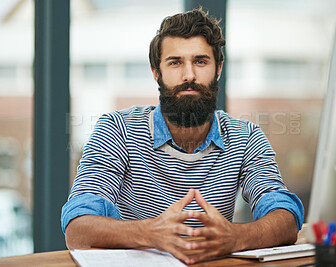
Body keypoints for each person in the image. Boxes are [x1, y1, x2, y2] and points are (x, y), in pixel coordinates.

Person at [61, 8, 304, 265]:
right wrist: (151, 233)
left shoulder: (246, 137)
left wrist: (235, 237)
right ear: (157, 72)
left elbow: (285, 218)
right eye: (175, 62)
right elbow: (79, 229)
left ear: (218, 69)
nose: (189, 75)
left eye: (200, 61)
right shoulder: (117, 129)